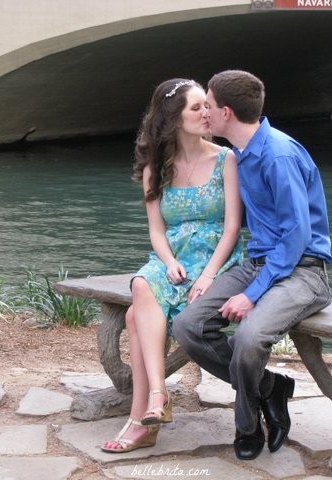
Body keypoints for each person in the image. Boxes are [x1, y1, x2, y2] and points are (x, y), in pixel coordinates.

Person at [172, 70, 332, 461]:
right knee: (188, 326)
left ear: (225, 112)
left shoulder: (278, 155)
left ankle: (247, 428)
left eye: (207, 105)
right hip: (259, 263)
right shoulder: (239, 155)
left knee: (248, 339)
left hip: (304, 271)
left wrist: (251, 294)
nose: (204, 112)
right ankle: (269, 387)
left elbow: (296, 237)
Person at [101, 78, 244, 453]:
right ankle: (158, 397)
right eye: (196, 108)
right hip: (173, 259)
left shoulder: (226, 159)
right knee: (142, 285)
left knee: (135, 318)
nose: (206, 113)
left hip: (217, 257)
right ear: (173, 118)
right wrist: (167, 261)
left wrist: (211, 273)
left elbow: (232, 227)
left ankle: (142, 418)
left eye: (206, 106)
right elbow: (156, 231)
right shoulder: (155, 168)